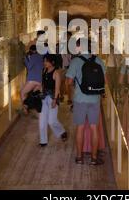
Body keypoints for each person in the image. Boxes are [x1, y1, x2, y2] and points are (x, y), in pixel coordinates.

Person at [66, 38, 106, 166]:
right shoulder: (98, 60)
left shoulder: (75, 61)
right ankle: (94, 158)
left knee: (80, 127)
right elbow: (105, 81)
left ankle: (79, 157)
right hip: (95, 99)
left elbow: (69, 82)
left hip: (80, 99)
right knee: (94, 128)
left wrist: (73, 90)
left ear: (80, 47)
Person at [39, 54, 67, 147]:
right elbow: (42, 85)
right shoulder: (43, 71)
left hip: (53, 98)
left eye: (46, 61)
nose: (44, 63)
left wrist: (55, 100)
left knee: (51, 121)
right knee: (42, 120)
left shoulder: (56, 73)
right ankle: (43, 141)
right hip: (44, 97)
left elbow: (57, 88)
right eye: (44, 61)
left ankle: (62, 131)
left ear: (52, 62)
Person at [21, 45, 43, 113]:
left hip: (32, 80)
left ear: (31, 50)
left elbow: (29, 67)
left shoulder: (33, 56)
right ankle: (37, 108)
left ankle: (25, 109)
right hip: (39, 81)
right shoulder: (41, 56)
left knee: (22, 93)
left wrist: (25, 59)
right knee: (34, 95)